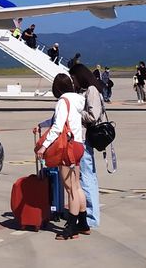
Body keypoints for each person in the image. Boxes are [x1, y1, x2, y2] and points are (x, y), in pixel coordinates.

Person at [37, 73, 89, 240]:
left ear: (57, 88)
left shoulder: (62, 101)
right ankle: (83, 223)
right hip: (79, 145)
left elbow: (58, 126)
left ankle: (71, 228)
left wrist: (43, 146)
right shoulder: (77, 100)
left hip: (68, 147)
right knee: (77, 186)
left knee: (70, 188)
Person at [68, 64, 103, 232]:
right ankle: (87, 213)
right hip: (82, 138)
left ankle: (91, 216)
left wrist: (76, 112)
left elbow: (93, 115)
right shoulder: (85, 90)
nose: (73, 81)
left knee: (87, 177)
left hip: (86, 139)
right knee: (85, 177)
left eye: (74, 78)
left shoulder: (91, 90)